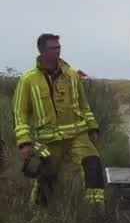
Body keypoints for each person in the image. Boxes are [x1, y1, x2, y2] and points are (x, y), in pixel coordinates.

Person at [12, 33, 105, 207]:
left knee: (93, 164)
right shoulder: (28, 80)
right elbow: (20, 113)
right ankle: (38, 215)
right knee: (46, 179)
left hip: (77, 136)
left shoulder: (72, 76)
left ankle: (96, 212)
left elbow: (84, 105)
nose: (58, 51)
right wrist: (24, 143)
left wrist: (93, 128)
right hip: (47, 141)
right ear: (42, 51)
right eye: (53, 48)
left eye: (59, 47)